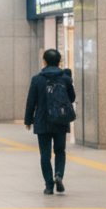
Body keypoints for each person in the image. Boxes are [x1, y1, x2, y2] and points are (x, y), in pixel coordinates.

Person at [24, 49, 76, 195]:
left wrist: (28, 120)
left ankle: (48, 185)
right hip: (60, 120)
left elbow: (31, 101)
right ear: (59, 61)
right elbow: (71, 98)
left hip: (42, 121)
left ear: (44, 61)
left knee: (45, 155)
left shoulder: (37, 79)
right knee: (60, 150)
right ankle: (59, 174)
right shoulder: (65, 78)